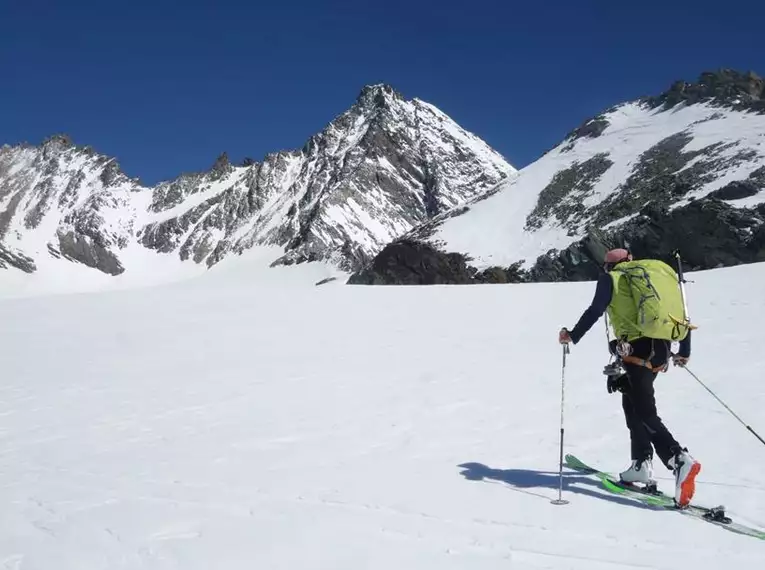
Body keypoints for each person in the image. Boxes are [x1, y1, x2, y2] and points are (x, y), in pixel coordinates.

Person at [558, 248, 701, 507]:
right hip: (662, 348)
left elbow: (595, 310)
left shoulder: (611, 278)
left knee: (645, 410)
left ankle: (678, 459)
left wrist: (572, 335)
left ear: (607, 266)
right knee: (632, 401)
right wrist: (685, 350)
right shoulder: (654, 273)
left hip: (636, 349)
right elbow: (681, 310)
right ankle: (640, 463)